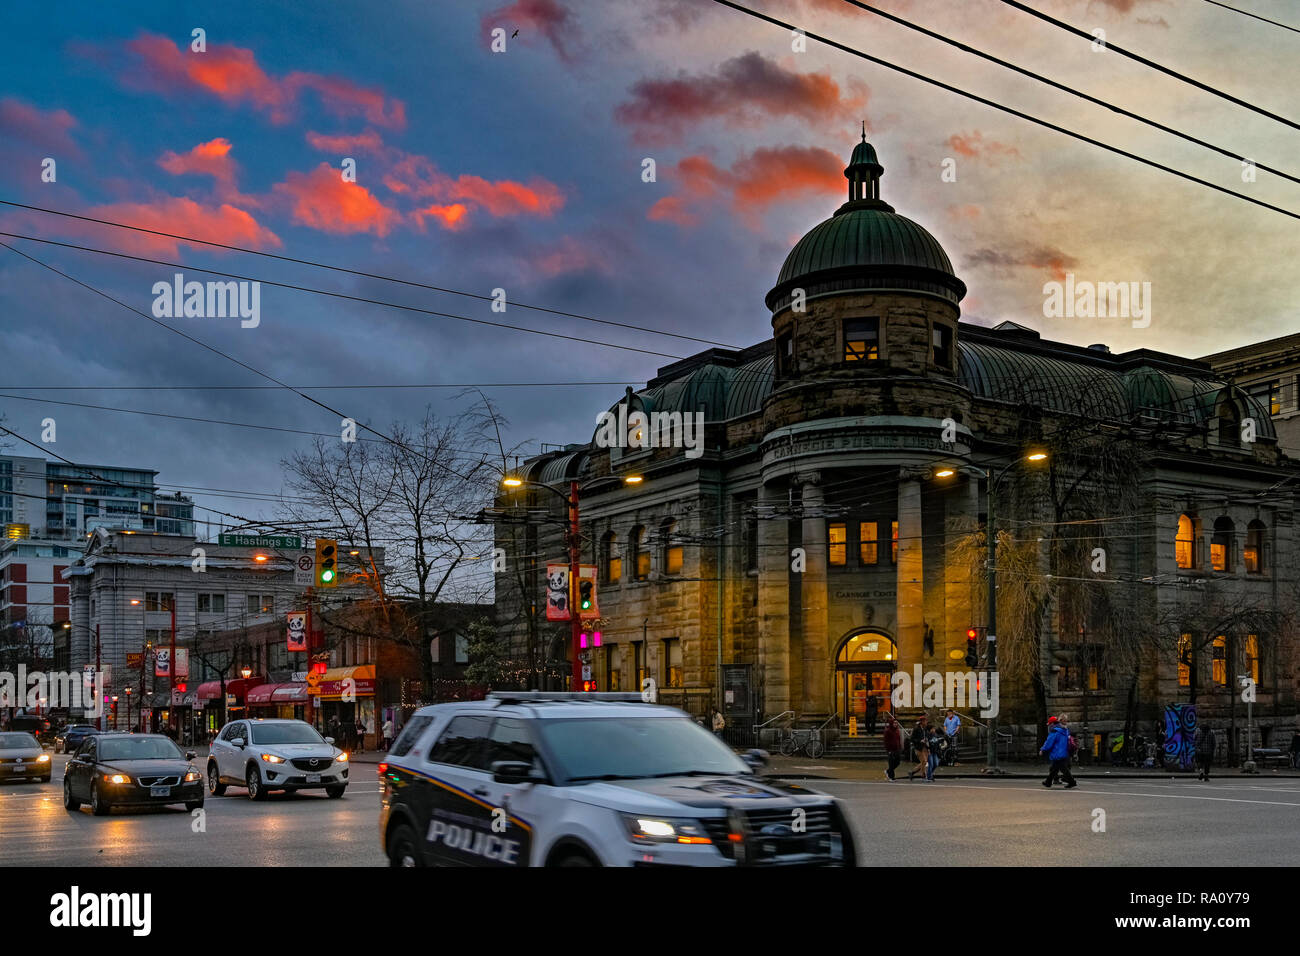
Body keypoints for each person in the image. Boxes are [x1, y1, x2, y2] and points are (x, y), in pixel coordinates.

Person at [1040, 716, 1077, 789]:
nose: (1049, 726)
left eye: (1050, 724)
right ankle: (1048, 782)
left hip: (1057, 753)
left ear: (1053, 724)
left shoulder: (1055, 731)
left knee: (1063, 769)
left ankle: (1072, 782)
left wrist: (1042, 749)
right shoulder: (1065, 730)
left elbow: (1048, 743)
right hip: (1064, 752)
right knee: (1054, 768)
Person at [908, 714, 930, 781]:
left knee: (924, 762)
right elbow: (911, 739)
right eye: (925, 721)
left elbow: (926, 736)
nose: (926, 722)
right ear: (922, 722)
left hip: (924, 747)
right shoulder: (916, 729)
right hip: (918, 747)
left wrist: (926, 740)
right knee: (924, 761)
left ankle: (912, 772)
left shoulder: (925, 729)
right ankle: (923, 776)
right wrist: (920, 741)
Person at [883, 713, 903, 781]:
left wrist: (900, 747)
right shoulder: (888, 731)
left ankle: (888, 771)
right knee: (891, 763)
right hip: (891, 749)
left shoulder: (897, 730)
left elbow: (898, 739)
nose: (896, 724)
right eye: (894, 723)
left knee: (897, 762)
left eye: (896, 723)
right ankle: (891, 777)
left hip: (897, 749)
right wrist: (888, 750)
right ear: (891, 723)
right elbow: (886, 741)